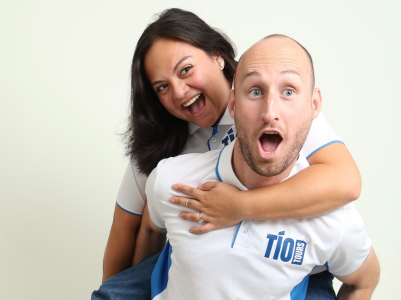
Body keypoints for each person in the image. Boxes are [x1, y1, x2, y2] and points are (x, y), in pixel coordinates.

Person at [93, 8, 361, 300]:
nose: (180, 91)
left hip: (290, 264)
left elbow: (345, 181)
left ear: (218, 56)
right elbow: (128, 229)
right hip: (199, 262)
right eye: (162, 87)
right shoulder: (160, 145)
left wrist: (240, 206)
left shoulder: (273, 109)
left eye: (186, 70)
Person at [145, 34, 380, 299]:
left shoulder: (334, 219)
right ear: (233, 105)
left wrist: (240, 207)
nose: (270, 112)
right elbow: (145, 228)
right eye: (255, 92)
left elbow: (365, 280)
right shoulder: (171, 177)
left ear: (314, 106)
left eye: (288, 92)